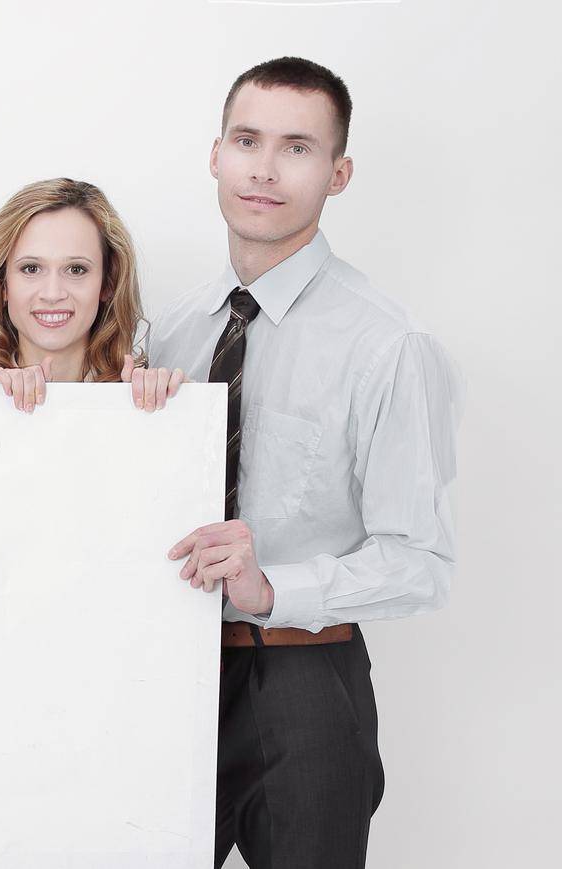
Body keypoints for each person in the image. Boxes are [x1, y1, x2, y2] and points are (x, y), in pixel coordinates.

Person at [149, 56, 462, 868]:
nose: (264, 167)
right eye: (247, 139)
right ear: (214, 153)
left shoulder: (388, 346)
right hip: (159, 675)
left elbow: (420, 562)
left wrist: (274, 590)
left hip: (304, 682)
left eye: (297, 147)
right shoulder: (172, 334)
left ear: (339, 172)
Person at [0, 177, 184, 411]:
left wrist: (184, 407)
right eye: (31, 268)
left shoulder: (146, 400)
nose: (52, 294)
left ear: (107, 283)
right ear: (2, 284)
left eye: (76, 269)